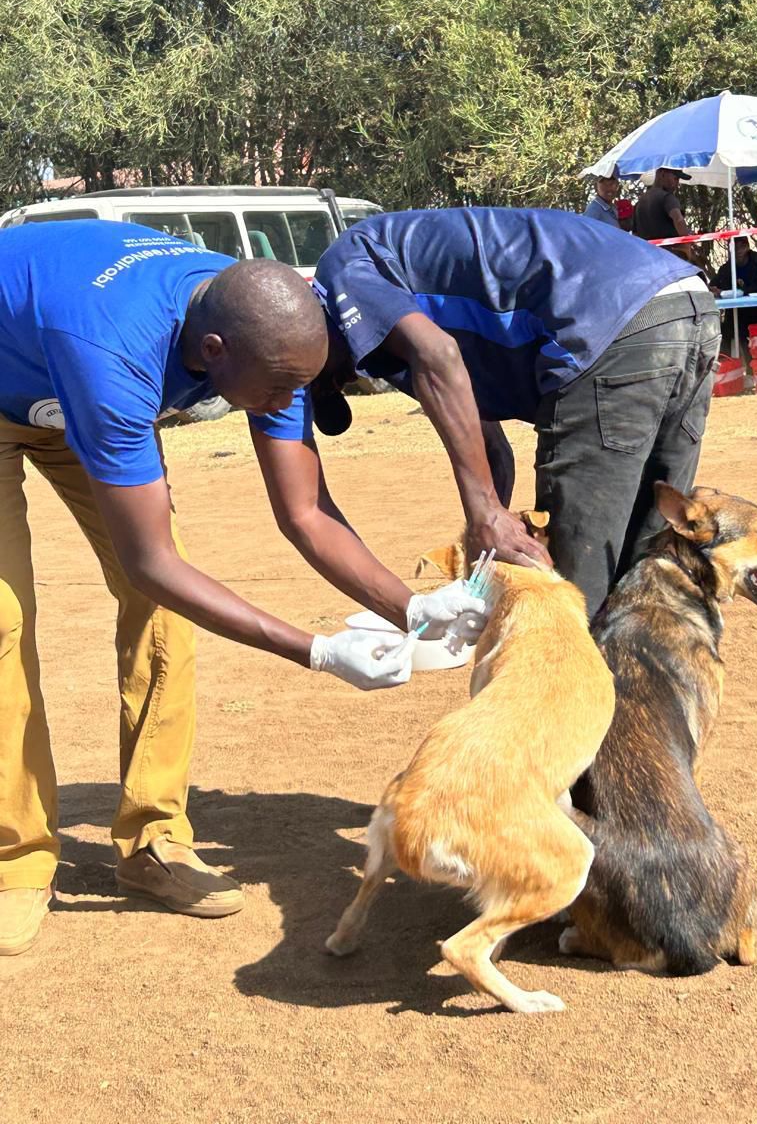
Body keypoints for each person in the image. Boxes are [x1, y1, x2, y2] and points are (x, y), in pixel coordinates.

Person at [0, 220, 485, 955]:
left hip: (78, 387)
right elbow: (151, 561)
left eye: (301, 383)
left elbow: (304, 513)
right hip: (37, 371)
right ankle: (16, 861)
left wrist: (412, 608)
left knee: (162, 619)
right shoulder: (117, 349)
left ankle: (154, 838)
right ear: (213, 352)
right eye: (281, 388)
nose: (291, 399)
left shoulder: (272, 333)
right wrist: (318, 652)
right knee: (5, 624)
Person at [298, 206, 721, 626]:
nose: (348, 380)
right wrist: (486, 549)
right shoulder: (403, 332)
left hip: (605, 321)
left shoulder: (345, 269)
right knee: (648, 578)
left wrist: (485, 515)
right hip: (686, 303)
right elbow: (493, 451)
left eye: (328, 380)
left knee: (570, 599)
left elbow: (438, 355)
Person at [708, 237, 757, 359]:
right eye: (735, 248)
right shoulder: (726, 268)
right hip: (738, 312)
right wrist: (716, 290)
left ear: (747, 247)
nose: (739, 251)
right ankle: (730, 363)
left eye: (742, 246)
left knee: (751, 326)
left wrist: (743, 290)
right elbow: (715, 284)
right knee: (724, 330)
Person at [631, 167, 694, 259]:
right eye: (675, 178)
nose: (677, 184)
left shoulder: (640, 202)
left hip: (648, 257)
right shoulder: (667, 197)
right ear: (662, 174)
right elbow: (678, 219)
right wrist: (686, 247)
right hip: (670, 256)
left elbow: (635, 234)